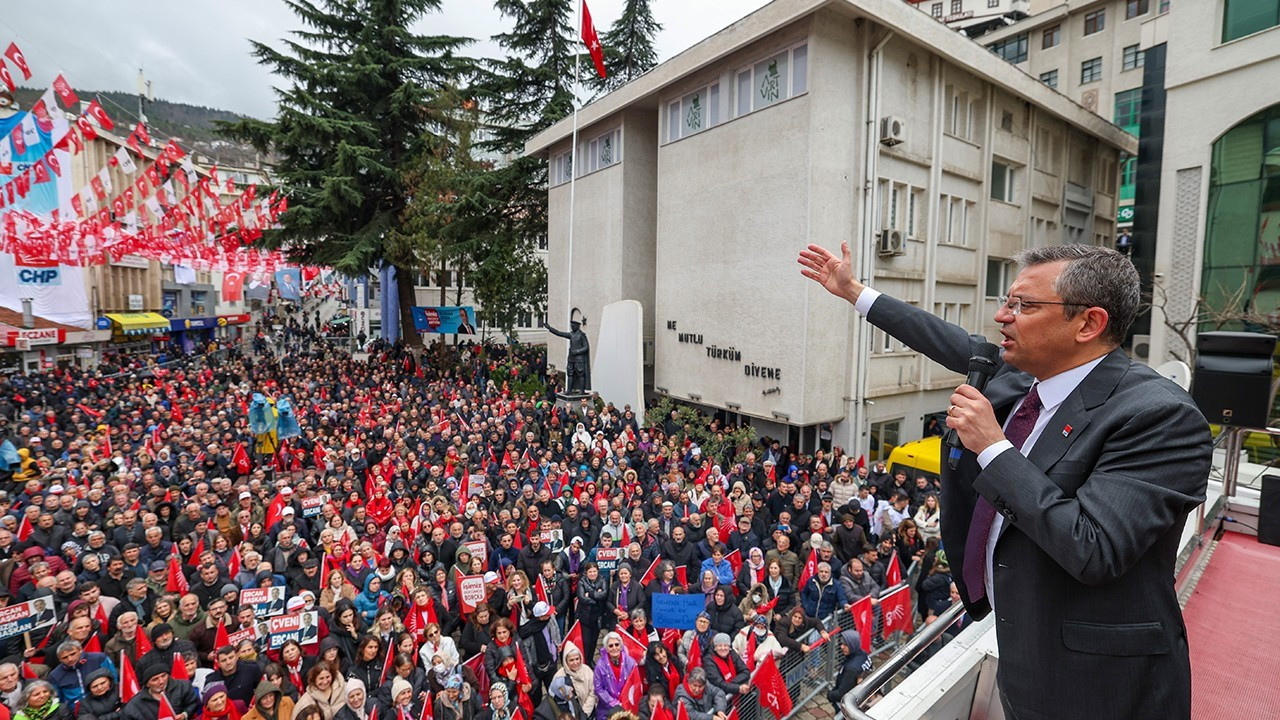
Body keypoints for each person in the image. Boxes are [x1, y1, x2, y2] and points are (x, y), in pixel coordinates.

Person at [799, 241, 1211, 719]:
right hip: (1023, 656)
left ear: (1089, 323)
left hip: (1101, 685)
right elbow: (945, 338)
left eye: (1024, 305)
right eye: (1007, 301)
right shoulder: (1022, 380)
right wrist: (853, 291)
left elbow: (1094, 547)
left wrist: (993, 449)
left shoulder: (1159, 416)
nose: (1002, 317)